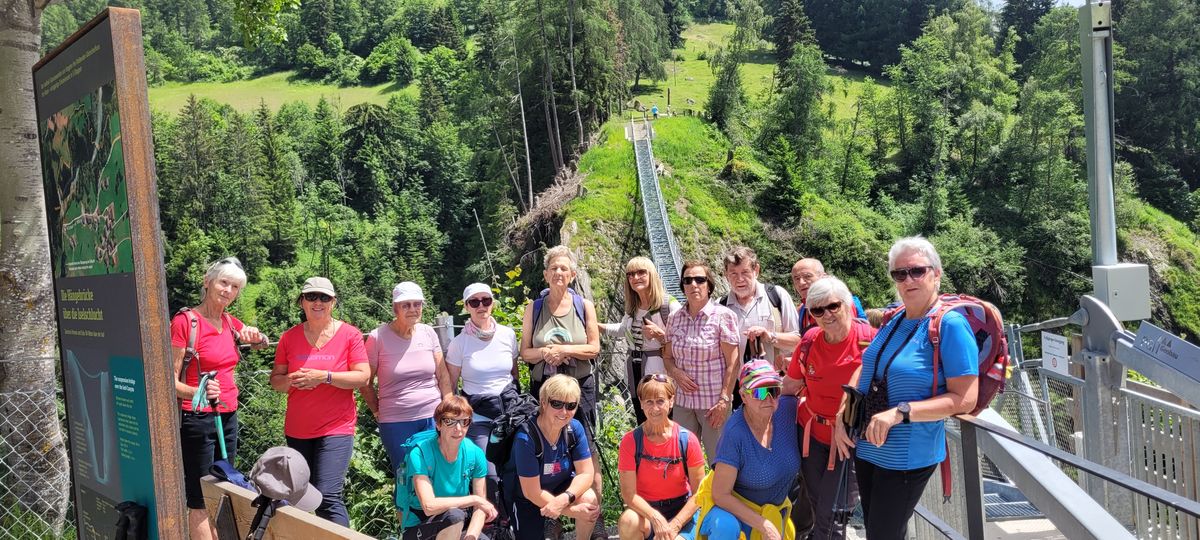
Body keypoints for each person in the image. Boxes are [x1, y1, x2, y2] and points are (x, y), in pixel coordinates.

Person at [844, 237, 979, 540]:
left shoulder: (950, 325)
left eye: (917, 271)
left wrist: (901, 412)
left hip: (906, 455)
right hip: (868, 446)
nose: (908, 280)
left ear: (936, 273)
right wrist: (846, 412)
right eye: (899, 274)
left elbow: (965, 399)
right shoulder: (894, 320)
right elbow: (867, 368)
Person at [171, 257, 267, 540]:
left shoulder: (228, 321)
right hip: (197, 417)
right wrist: (198, 390)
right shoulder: (186, 322)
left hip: (228, 415)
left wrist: (257, 336)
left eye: (235, 286)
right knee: (200, 497)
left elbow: (258, 340)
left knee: (223, 489)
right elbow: (167, 380)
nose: (228, 290)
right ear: (207, 282)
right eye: (223, 282)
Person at [270, 276, 371, 526]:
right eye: (311, 297)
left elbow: (363, 376)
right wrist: (292, 380)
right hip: (298, 430)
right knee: (300, 497)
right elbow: (276, 381)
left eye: (324, 297)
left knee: (327, 496)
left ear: (333, 302)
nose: (318, 302)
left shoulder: (350, 335)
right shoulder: (288, 338)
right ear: (301, 302)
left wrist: (324, 377)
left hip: (336, 428)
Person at [782, 276, 876, 540]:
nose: (826, 315)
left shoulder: (870, 341)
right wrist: (755, 403)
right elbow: (790, 384)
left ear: (847, 304)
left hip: (850, 441)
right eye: (817, 310)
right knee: (815, 503)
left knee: (833, 515)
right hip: (812, 438)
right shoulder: (810, 341)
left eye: (833, 306)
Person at [519, 245, 605, 524]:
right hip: (545, 391)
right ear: (545, 274)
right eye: (554, 268)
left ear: (572, 274)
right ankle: (553, 518)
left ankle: (595, 517)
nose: (558, 272)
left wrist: (564, 350)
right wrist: (546, 353)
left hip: (579, 388)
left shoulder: (584, 306)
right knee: (545, 444)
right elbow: (526, 353)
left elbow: (594, 348)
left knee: (587, 448)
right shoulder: (534, 308)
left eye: (564, 268)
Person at [696, 360, 801, 540]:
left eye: (774, 390)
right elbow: (720, 494)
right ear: (743, 396)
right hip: (732, 511)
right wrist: (762, 524)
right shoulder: (735, 433)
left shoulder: (788, 409)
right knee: (725, 527)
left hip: (771, 511)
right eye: (759, 392)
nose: (768, 399)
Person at [362, 281, 453, 473]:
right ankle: (407, 505)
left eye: (417, 304)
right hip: (396, 421)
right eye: (406, 305)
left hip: (433, 416)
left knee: (437, 472)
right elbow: (365, 382)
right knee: (406, 474)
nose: (413, 309)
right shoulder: (377, 337)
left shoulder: (428, 332)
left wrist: (448, 406)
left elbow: (442, 374)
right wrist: (376, 411)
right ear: (395, 308)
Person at [446, 283, 519, 503]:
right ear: (466, 306)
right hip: (479, 417)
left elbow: (514, 374)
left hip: (509, 413)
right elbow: (451, 385)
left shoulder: (507, 335)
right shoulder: (459, 343)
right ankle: (491, 521)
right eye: (474, 302)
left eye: (486, 300)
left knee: (515, 468)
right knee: (489, 474)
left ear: (492, 303)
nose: (481, 306)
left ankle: (514, 521)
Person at [507, 375, 602, 540]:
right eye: (557, 404)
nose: (564, 412)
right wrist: (570, 511)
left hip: (560, 487)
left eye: (571, 405)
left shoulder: (574, 428)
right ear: (543, 402)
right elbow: (532, 492)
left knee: (589, 500)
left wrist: (566, 498)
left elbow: (586, 474)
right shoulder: (526, 438)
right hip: (527, 497)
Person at [662, 261, 739, 462]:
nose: (694, 284)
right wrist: (676, 373)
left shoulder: (724, 316)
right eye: (688, 280)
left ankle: (720, 495)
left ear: (709, 285)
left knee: (719, 461)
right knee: (685, 459)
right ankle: (694, 494)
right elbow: (667, 357)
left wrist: (724, 400)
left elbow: (733, 363)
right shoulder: (674, 318)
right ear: (683, 286)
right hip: (683, 403)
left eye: (699, 279)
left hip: (713, 404)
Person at [616, 374, 705, 540]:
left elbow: (699, 492)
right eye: (649, 401)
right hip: (646, 512)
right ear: (641, 404)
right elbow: (629, 495)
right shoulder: (630, 441)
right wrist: (655, 518)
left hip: (681, 512)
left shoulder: (687, 440)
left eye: (660, 401)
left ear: (671, 401)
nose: (654, 408)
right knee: (628, 521)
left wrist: (674, 525)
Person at [401, 396, 498, 540]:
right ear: (438, 425)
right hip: (421, 525)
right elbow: (429, 507)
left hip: (457, 523)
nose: (458, 429)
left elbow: (480, 508)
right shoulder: (420, 453)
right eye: (450, 421)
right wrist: (474, 499)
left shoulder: (475, 453)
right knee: (454, 516)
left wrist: (471, 537)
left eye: (464, 422)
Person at [600, 257, 681, 424]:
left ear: (652, 274)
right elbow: (623, 330)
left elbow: (685, 340)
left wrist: (660, 336)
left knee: (662, 418)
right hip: (635, 370)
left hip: (659, 372)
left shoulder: (668, 306)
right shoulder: (633, 307)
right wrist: (597, 326)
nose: (635, 277)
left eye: (641, 272)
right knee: (642, 419)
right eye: (630, 274)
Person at [720, 246, 800, 370]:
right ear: (726, 275)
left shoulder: (776, 296)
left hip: (775, 383)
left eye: (745, 272)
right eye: (733, 273)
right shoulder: (720, 306)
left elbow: (798, 341)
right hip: (739, 386)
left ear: (756, 270)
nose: (740, 279)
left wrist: (769, 335)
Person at [790, 258, 867, 336]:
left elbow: (843, 337)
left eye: (807, 276)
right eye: (796, 278)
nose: (801, 283)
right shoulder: (801, 310)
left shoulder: (841, 303)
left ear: (823, 277)